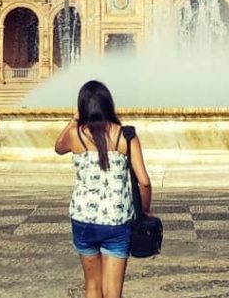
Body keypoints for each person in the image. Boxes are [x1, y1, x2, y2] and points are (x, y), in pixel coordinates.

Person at [55, 80, 153, 298]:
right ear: (109, 104)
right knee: (112, 292)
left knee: (92, 286)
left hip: (83, 218)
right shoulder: (125, 136)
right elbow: (143, 181)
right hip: (116, 220)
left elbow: (57, 147)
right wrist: (145, 210)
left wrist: (73, 121)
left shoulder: (76, 135)